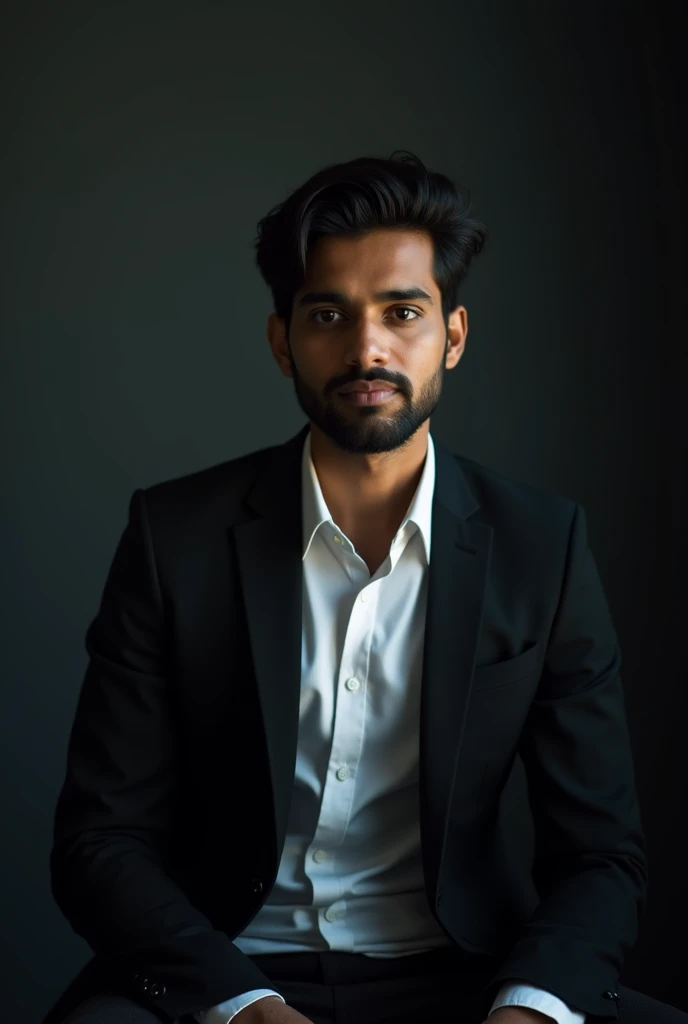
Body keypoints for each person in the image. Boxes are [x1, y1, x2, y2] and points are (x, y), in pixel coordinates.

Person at [42, 152, 685, 1024]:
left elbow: (603, 857)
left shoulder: (543, 546)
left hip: (465, 976)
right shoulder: (175, 538)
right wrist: (242, 1006)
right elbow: (99, 841)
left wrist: (528, 1010)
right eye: (328, 314)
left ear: (453, 336)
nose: (367, 347)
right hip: (224, 970)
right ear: (283, 343)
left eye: (402, 312)